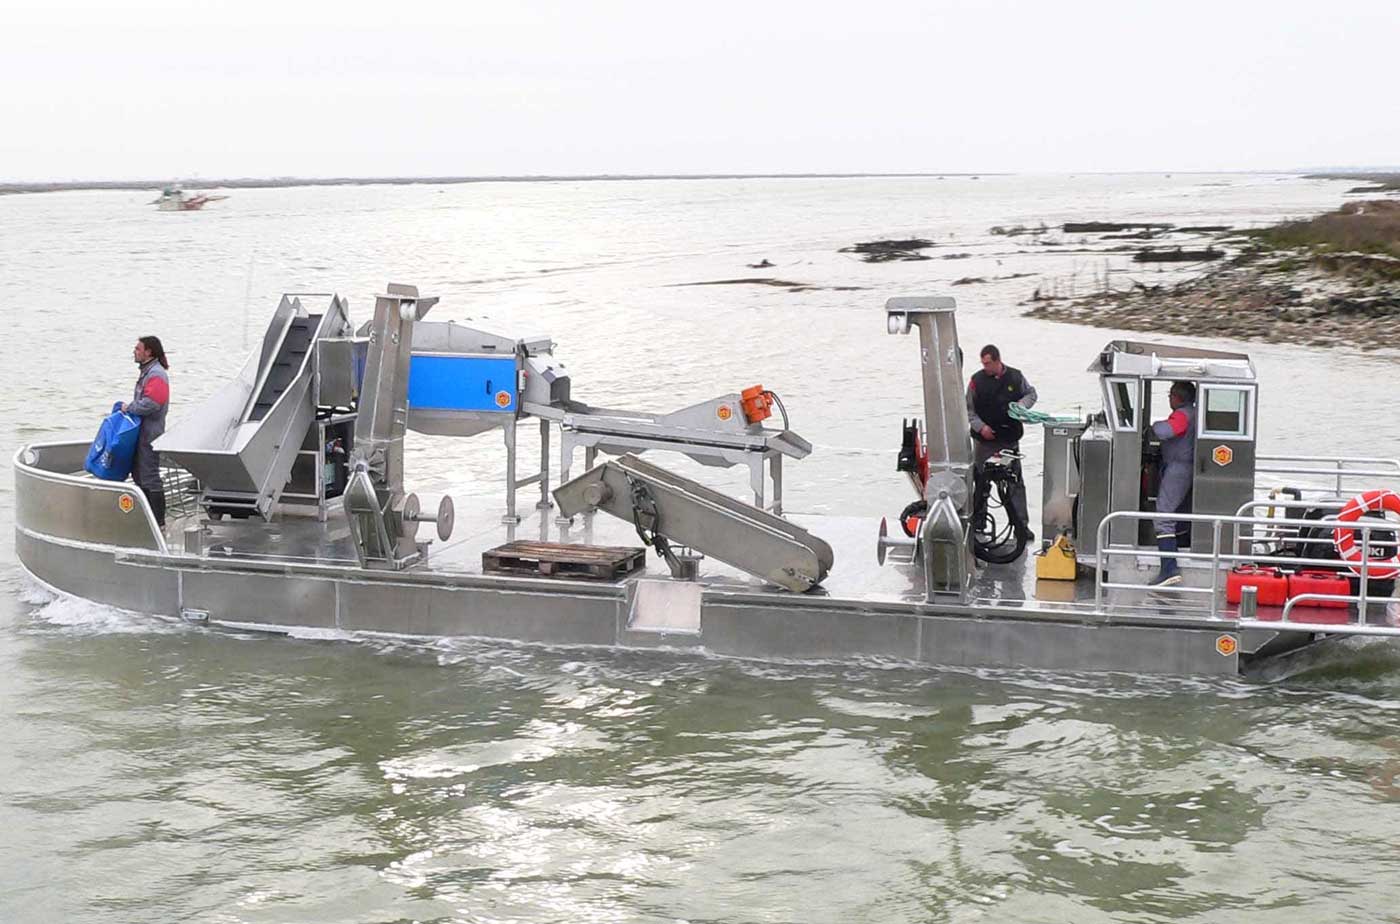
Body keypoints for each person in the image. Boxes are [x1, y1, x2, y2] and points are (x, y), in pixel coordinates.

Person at [967, 344, 1037, 542]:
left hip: (1009, 440)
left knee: (1015, 483)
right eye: (982, 363)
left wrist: (1021, 406)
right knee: (981, 482)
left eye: (988, 363)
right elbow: (969, 410)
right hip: (984, 442)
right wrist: (981, 427)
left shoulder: (1016, 377)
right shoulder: (976, 381)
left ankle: (1021, 526)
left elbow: (1031, 394)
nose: (985, 367)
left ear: (998, 361)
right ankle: (979, 523)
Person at [1148, 381, 1197, 587]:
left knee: (1163, 515)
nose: (1169, 398)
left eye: (1171, 395)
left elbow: (1166, 431)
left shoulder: (1183, 415)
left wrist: (1152, 427)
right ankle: (1178, 549)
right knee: (1179, 512)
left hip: (1178, 468)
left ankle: (1169, 568)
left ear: (1178, 397)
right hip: (1187, 466)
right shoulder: (1195, 413)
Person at [121, 336, 171, 527]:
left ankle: (158, 522)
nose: (134, 351)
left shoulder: (156, 374)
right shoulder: (148, 372)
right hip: (142, 433)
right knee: (140, 475)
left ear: (148, 352)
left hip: (150, 434)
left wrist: (130, 408)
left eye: (138, 348)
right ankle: (146, 519)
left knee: (150, 476)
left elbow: (153, 403)